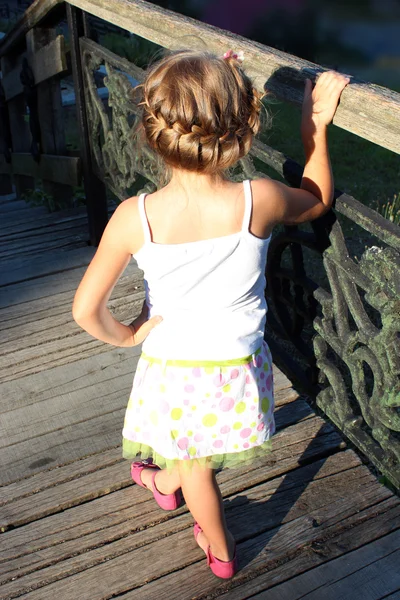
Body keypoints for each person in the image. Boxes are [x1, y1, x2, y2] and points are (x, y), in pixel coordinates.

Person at [72, 48, 350, 579]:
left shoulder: (136, 217)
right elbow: (315, 200)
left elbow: (86, 310)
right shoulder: (260, 199)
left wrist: (130, 337)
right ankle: (166, 484)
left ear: (154, 128)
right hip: (239, 366)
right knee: (200, 444)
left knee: (196, 463)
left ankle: (220, 550)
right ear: (244, 125)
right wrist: (314, 125)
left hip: (176, 374)